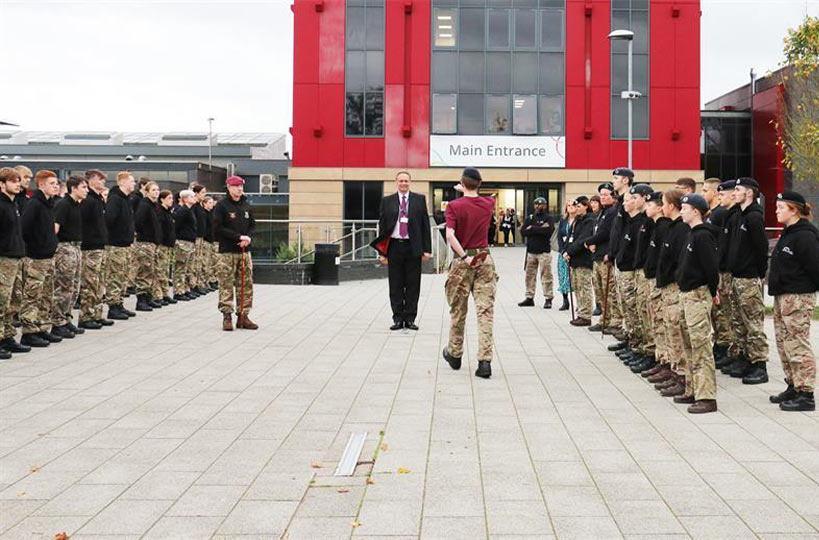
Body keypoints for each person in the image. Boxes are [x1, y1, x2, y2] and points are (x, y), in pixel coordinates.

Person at [441, 168, 497, 379]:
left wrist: (464, 256)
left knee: (458, 310)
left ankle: (455, 354)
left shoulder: (454, 206)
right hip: (485, 260)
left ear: (462, 184)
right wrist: (466, 187)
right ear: (479, 184)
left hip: (463, 262)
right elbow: (480, 197)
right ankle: (484, 362)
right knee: (485, 312)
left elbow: (450, 235)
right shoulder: (488, 204)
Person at [768, 191, 819, 411]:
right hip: (783, 296)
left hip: (797, 297)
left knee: (798, 344)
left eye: (780, 207)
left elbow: (815, 267)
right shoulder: (789, 232)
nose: (776, 210)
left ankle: (806, 393)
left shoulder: (805, 236)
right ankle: (793, 385)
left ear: (793, 210)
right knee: (783, 343)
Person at [675, 194, 720, 414]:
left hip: (697, 295)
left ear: (696, 211)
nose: (681, 211)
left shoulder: (703, 236)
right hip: (686, 295)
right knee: (689, 345)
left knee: (701, 346)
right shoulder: (691, 234)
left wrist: (713, 292)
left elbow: (711, 268)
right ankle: (692, 389)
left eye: (684, 208)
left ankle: (707, 397)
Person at [370, 171, 432, 331]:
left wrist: (427, 249)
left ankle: (410, 318)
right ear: (396, 182)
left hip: (413, 246)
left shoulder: (419, 200)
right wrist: (382, 252)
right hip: (394, 246)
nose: (403, 183)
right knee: (395, 283)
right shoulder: (387, 201)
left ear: (410, 182)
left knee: (413, 284)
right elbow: (383, 228)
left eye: (406, 181)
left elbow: (425, 226)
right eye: (401, 181)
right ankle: (398, 318)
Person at [726, 177, 769, 384]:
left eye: (738, 189)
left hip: (748, 277)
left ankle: (759, 364)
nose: (735, 192)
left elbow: (761, 248)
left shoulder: (753, 217)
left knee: (753, 323)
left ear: (749, 193)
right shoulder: (739, 216)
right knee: (739, 321)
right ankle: (744, 358)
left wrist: (760, 273)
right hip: (736, 276)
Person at [652, 189, 690, 398]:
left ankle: (682, 376)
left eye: (664, 203)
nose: (662, 207)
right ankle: (675, 372)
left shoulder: (682, 229)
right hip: (667, 286)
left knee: (676, 333)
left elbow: (679, 260)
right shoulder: (672, 227)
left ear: (671, 206)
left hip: (675, 287)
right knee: (669, 330)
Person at [19, 170, 62, 347]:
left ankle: (42, 327)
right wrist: (34, 247)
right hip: (36, 256)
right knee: (32, 295)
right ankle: (29, 332)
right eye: (52, 184)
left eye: (57, 184)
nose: (56, 187)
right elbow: (25, 228)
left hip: (48, 255)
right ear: (41, 185)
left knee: (46, 295)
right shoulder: (34, 204)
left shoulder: (49, 203)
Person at [612, 185, 651, 368]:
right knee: (627, 309)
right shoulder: (629, 221)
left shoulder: (643, 222)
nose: (626, 204)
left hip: (634, 271)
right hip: (624, 268)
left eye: (630, 200)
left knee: (637, 311)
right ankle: (633, 343)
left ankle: (642, 349)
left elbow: (639, 251)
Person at [213, 175, 257, 331]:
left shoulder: (246, 205)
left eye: (241, 186)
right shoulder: (222, 206)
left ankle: (243, 316)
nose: (240, 189)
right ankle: (227, 316)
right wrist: (238, 237)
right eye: (236, 186)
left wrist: (248, 238)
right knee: (226, 283)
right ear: (229, 188)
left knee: (245, 284)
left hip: (244, 251)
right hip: (227, 251)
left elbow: (252, 225)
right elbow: (218, 228)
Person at [640, 191, 674, 384]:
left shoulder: (664, 228)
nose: (647, 208)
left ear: (661, 207)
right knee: (656, 322)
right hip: (652, 277)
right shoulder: (655, 226)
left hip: (660, 280)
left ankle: (667, 362)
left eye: (650, 205)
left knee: (662, 323)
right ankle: (661, 360)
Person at [51, 175, 88, 338]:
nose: (86, 190)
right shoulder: (63, 204)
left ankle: (66, 318)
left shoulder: (76, 205)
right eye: (83, 187)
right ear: (74, 188)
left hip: (76, 247)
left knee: (74, 286)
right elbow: (55, 228)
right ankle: (58, 322)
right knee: (64, 286)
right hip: (65, 247)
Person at [0, 168, 30, 359]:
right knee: (1, 301)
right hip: (3, 258)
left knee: (13, 301)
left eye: (19, 181)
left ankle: (8, 336)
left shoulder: (13, 204)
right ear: (2, 184)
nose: (18, 184)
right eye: (13, 181)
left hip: (15, 257)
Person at [706, 180, 735, 367]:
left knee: (725, 313)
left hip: (726, 269)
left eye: (705, 190)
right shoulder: (714, 213)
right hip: (717, 266)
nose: (703, 193)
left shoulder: (722, 214)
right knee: (717, 312)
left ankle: (726, 347)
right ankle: (720, 344)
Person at [78, 170, 111, 330]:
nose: (103, 182)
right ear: (90, 181)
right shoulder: (88, 200)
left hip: (99, 245)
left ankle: (96, 314)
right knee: (90, 283)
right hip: (90, 246)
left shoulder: (98, 199)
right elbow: (81, 222)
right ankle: (86, 316)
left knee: (99, 283)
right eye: (100, 179)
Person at [585, 183, 620, 333]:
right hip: (597, 255)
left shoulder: (612, 212)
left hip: (606, 256)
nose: (603, 197)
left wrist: (590, 241)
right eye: (602, 195)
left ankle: (613, 321)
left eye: (606, 194)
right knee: (599, 291)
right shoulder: (601, 212)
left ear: (613, 196)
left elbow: (605, 233)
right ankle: (604, 319)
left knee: (609, 291)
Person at [605, 167, 634, 343]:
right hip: (618, 256)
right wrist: (612, 252)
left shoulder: (629, 200)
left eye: (616, 178)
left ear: (625, 180)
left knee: (630, 303)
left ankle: (632, 340)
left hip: (626, 258)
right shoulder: (620, 202)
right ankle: (627, 336)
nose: (613, 181)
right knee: (622, 300)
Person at [105, 171, 137, 320]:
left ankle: (119, 303)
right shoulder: (115, 199)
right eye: (131, 181)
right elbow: (110, 220)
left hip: (125, 243)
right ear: (122, 183)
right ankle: (113, 306)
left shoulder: (126, 199)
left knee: (122, 276)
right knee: (115, 276)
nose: (134, 184)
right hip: (116, 243)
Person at [518, 197, 555, 309]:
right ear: (534, 206)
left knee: (546, 276)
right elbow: (523, 231)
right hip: (531, 252)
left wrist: (533, 228)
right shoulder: (530, 217)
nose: (539, 207)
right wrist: (540, 228)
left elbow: (549, 231)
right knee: (529, 276)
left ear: (545, 206)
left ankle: (548, 298)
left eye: (542, 205)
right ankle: (529, 297)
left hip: (544, 252)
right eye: (537, 205)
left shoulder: (549, 218)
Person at [564, 197, 594, 326]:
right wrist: (566, 250)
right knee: (576, 286)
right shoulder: (577, 220)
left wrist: (570, 251)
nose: (576, 209)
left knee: (584, 287)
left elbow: (582, 240)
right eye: (575, 206)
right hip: (574, 259)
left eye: (579, 206)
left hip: (583, 258)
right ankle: (581, 312)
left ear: (586, 206)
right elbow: (570, 237)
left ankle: (586, 315)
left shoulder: (589, 220)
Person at [134, 182, 162, 311]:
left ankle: (149, 297)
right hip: (145, 242)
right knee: (144, 271)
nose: (156, 192)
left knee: (151, 271)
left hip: (153, 242)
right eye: (153, 190)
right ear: (147, 191)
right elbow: (139, 222)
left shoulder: (154, 206)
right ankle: (141, 299)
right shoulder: (144, 205)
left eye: (157, 190)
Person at [173, 190, 198, 301]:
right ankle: (178, 291)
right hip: (183, 242)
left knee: (188, 267)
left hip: (190, 241)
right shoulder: (183, 211)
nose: (194, 198)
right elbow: (177, 225)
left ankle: (186, 289)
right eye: (192, 196)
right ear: (185, 199)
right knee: (180, 267)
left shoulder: (190, 210)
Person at [156, 190, 177, 306]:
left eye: (171, 198)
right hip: (162, 244)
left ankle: (165, 293)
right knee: (160, 270)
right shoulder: (160, 211)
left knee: (165, 270)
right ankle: (159, 295)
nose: (171, 201)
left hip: (168, 244)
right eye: (169, 198)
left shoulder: (168, 212)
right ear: (162, 199)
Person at [556, 200, 575, 311]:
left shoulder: (580, 220)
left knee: (575, 278)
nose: (571, 207)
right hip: (563, 252)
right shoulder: (563, 221)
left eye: (573, 205)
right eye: (569, 205)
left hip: (575, 252)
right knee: (563, 276)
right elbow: (559, 237)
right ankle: (565, 300)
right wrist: (563, 251)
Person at [192, 184, 210, 295]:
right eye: (202, 193)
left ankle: (198, 284)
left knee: (199, 262)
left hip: (201, 237)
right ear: (197, 193)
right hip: (195, 237)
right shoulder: (194, 206)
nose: (204, 195)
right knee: (195, 262)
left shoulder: (199, 206)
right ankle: (193, 285)